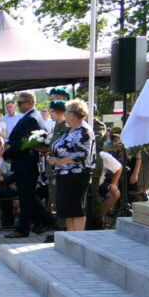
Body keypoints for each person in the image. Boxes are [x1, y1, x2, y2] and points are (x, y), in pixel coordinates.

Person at [4, 92, 55, 238]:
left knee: (27, 197)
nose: (18, 105)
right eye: (18, 103)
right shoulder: (31, 117)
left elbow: (23, 143)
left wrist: (8, 154)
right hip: (25, 163)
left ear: (31, 103)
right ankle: (42, 221)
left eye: (21, 103)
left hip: (25, 163)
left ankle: (29, 226)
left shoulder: (32, 118)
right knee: (27, 196)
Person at [47, 99, 96, 232]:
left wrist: (59, 161)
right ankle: (70, 236)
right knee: (67, 208)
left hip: (77, 174)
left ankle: (78, 237)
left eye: (67, 112)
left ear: (74, 114)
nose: (65, 115)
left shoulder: (84, 130)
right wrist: (54, 159)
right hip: (64, 174)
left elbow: (81, 154)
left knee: (77, 207)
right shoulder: (70, 130)